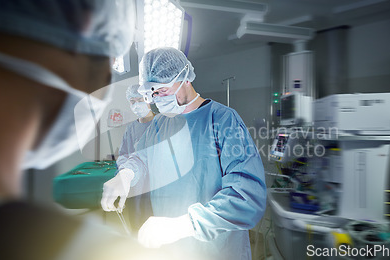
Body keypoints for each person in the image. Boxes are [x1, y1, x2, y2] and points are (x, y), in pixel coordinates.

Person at [0, 1, 170, 259]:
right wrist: (126, 174)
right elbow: (130, 158)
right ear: (84, 23)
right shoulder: (88, 252)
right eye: (112, 60)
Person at [102, 47, 267, 260]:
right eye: (151, 93)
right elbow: (142, 158)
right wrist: (126, 175)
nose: (156, 99)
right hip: (171, 251)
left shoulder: (223, 121)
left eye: (161, 90)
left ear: (184, 79)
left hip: (216, 251)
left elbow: (247, 198)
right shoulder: (159, 124)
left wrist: (184, 224)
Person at [118, 84, 155, 230]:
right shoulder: (131, 129)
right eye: (132, 102)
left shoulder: (162, 124)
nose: (136, 105)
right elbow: (123, 155)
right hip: (136, 186)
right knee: (137, 222)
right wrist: (125, 173)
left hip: (156, 185)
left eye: (140, 100)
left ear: (149, 100)